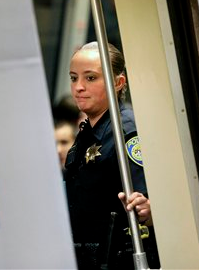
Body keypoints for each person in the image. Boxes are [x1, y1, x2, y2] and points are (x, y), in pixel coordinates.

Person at [63, 42, 160, 269]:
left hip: (120, 258)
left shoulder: (125, 129)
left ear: (118, 83)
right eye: (73, 77)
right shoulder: (88, 132)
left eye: (90, 78)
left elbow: (147, 203)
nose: (78, 87)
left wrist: (148, 208)